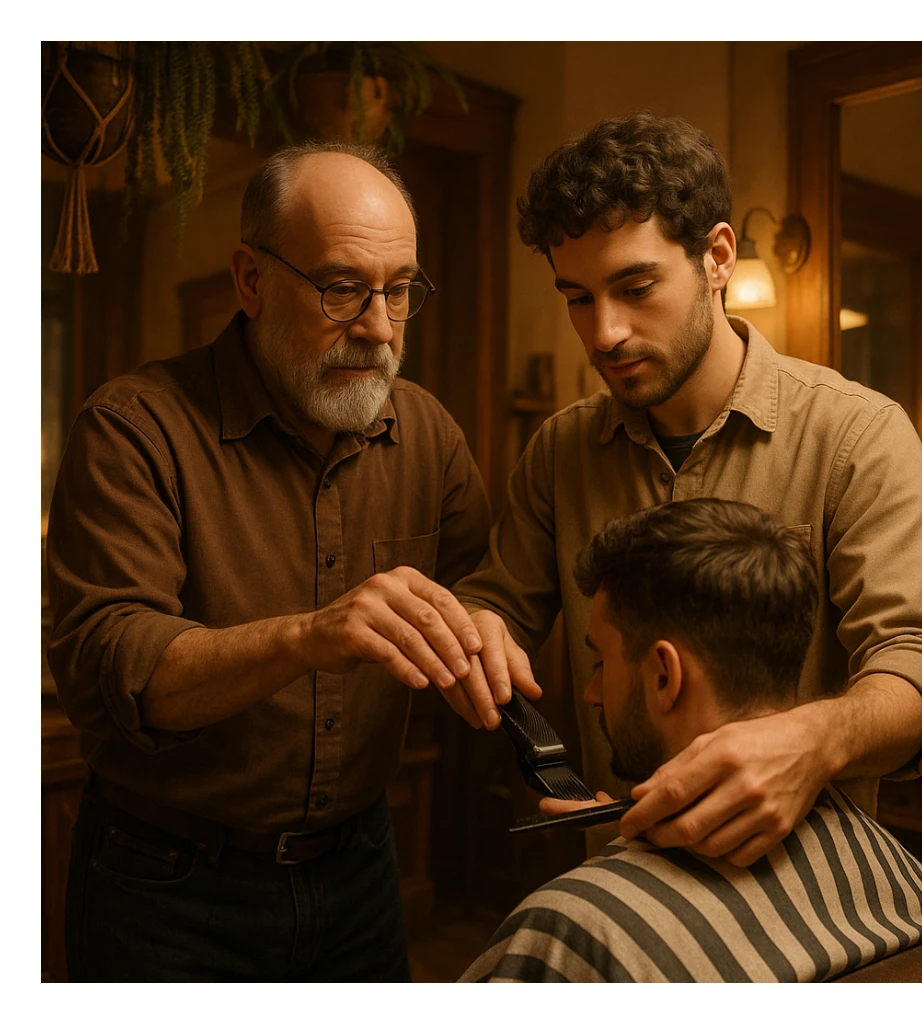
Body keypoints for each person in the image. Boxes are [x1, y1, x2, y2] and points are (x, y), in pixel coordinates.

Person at [45, 139, 538, 982]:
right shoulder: (133, 428)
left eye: (399, 291)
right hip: (167, 884)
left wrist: (493, 633)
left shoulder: (428, 434)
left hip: (360, 868)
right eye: (343, 288)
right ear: (249, 279)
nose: (380, 327)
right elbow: (110, 663)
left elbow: (485, 595)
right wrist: (310, 636)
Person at [454, 111, 922, 865]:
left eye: (635, 287)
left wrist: (810, 743)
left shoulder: (857, 436)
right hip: (620, 881)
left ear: (719, 256)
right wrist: (476, 635)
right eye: (578, 297)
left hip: (798, 892)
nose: (604, 334)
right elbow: (496, 606)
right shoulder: (559, 449)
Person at [461, 499, 922, 982]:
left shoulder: (567, 931)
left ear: (665, 675)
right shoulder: (891, 868)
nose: (593, 692)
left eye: (601, 662)